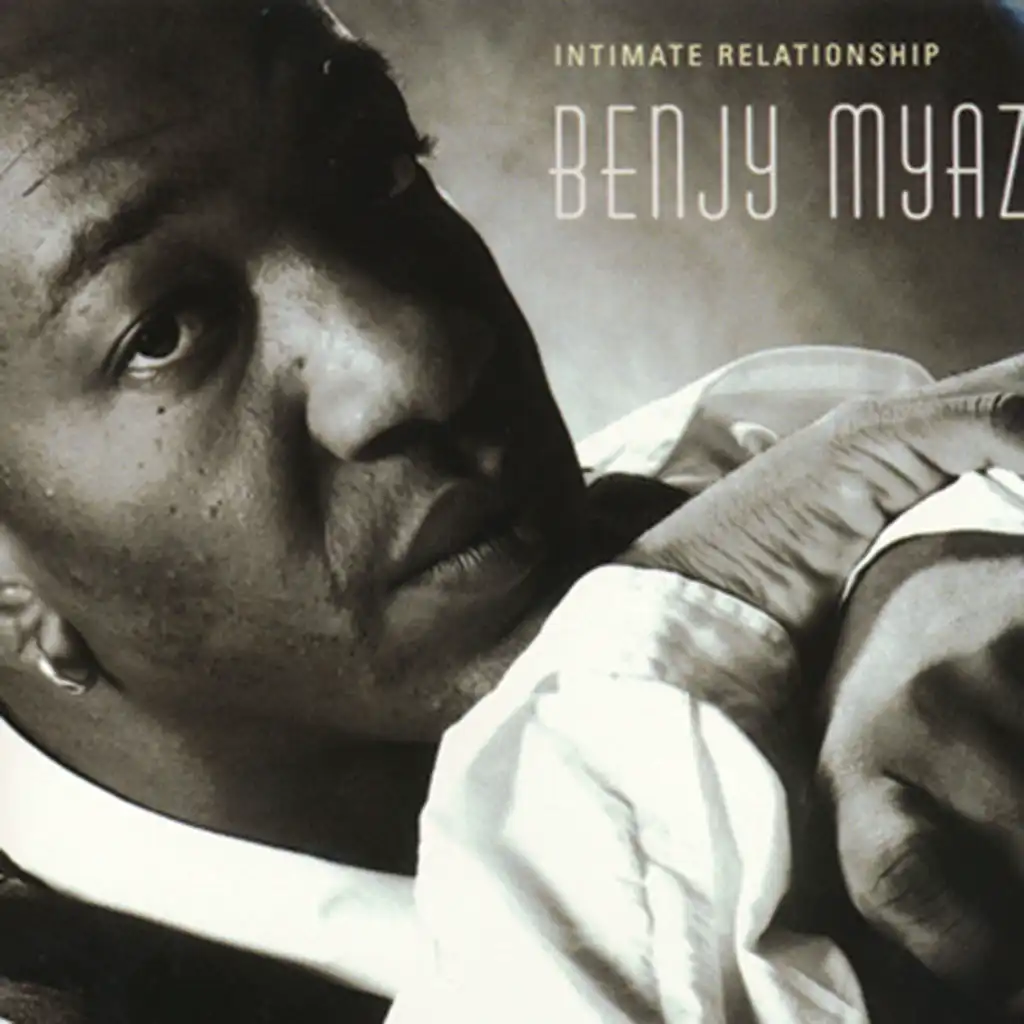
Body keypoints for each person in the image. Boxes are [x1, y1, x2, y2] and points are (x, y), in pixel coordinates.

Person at [2, 0, 1024, 1021]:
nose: (414, 358)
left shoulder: (759, 535)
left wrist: (940, 552)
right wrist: (678, 631)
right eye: (165, 332)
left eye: (374, 170)